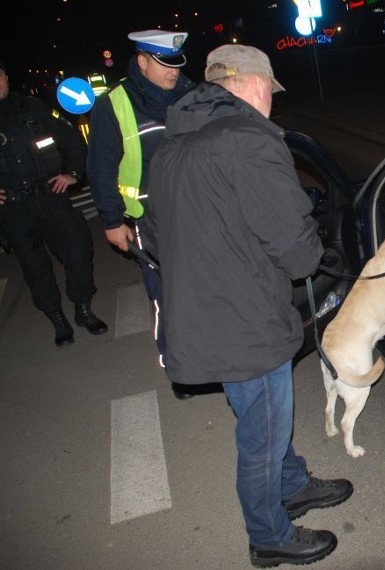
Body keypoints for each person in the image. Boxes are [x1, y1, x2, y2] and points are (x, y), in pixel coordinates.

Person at [145, 44, 352, 567]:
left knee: (264, 420)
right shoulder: (247, 141)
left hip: (203, 313)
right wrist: (312, 248)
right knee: (260, 436)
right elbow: (296, 247)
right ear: (250, 84)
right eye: (270, 89)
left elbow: (151, 236)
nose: (272, 101)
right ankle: (269, 536)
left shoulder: (173, 143)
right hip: (242, 321)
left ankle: (293, 484)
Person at [86, 30, 196, 398]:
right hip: (151, 221)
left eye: (177, 64)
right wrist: (112, 220)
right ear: (142, 61)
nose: (173, 72)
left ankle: (212, 356)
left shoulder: (191, 93)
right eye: (165, 64)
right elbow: (101, 166)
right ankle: (179, 369)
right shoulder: (114, 104)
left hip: (199, 212)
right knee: (168, 297)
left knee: (204, 289)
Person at [0, 58, 108, 347]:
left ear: (6, 77)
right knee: (36, 268)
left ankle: (83, 308)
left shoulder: (32, 108)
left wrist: (73, 173)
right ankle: (57, 318)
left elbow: (71, 138)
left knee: (78, 249)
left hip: (50, 197)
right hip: (13, 209)